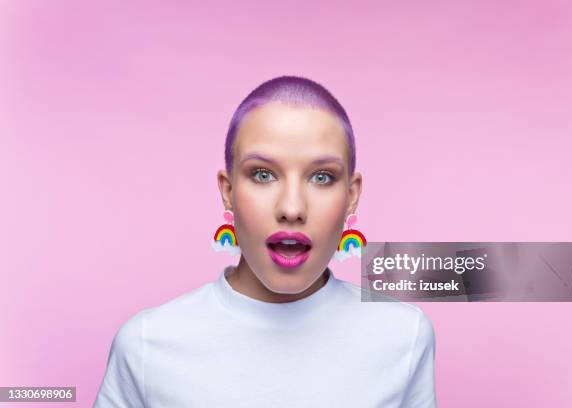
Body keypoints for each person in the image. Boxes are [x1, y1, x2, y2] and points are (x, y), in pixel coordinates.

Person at [93, 76, 437, 407]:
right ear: (228, 191)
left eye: (321, 177)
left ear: (351, 196)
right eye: (263, 174)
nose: (291, 208)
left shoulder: (403, 335)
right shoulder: (146, 344)